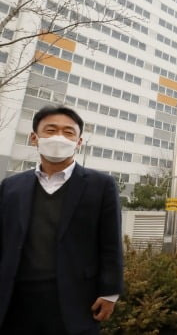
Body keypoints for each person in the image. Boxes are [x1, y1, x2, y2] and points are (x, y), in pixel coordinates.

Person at [0, 106, 124, 334]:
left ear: (79, 142)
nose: (59, 137)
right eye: (51, 130)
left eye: (68, 132)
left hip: (75, 298)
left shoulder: (101, 185)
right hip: (15, 298)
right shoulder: (11, 186)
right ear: (34, 138)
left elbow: (110, 242)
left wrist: (110, 292)